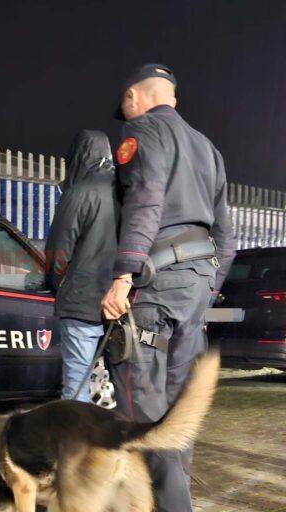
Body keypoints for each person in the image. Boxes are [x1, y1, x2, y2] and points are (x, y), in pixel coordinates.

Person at [101, 64, 236, 512]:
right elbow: (226, 237)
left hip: (153, 286)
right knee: (180, 415)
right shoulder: (208, 148)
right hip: (195, 288)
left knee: (142, 414)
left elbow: (145, 200)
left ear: (136, 96)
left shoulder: (142, 131)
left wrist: (123, 275)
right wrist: (205, 287)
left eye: (124, 103)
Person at [45, 130, 117, 402]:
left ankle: (74, 444)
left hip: (81, 303)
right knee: (115, 385)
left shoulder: (79, 192)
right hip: (121, 306)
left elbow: (57, 253)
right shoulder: (129, 193)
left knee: (77, 386)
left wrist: (56, 284)